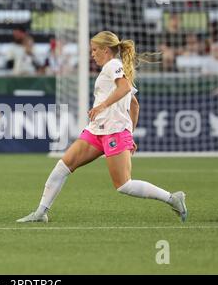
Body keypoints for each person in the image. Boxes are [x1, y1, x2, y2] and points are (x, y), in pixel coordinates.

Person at [17, 31, 188, 223]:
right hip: (97, 130)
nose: (92, 54)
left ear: (106, 50)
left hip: (114, 131)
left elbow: (123, 89)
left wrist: (103, 107)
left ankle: (173, 198)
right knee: (63, 166)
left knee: (123, 185)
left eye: (95, 50)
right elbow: (134, 105)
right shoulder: (114, 68)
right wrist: (130, 133)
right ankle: (41, 213)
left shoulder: (113, 65)